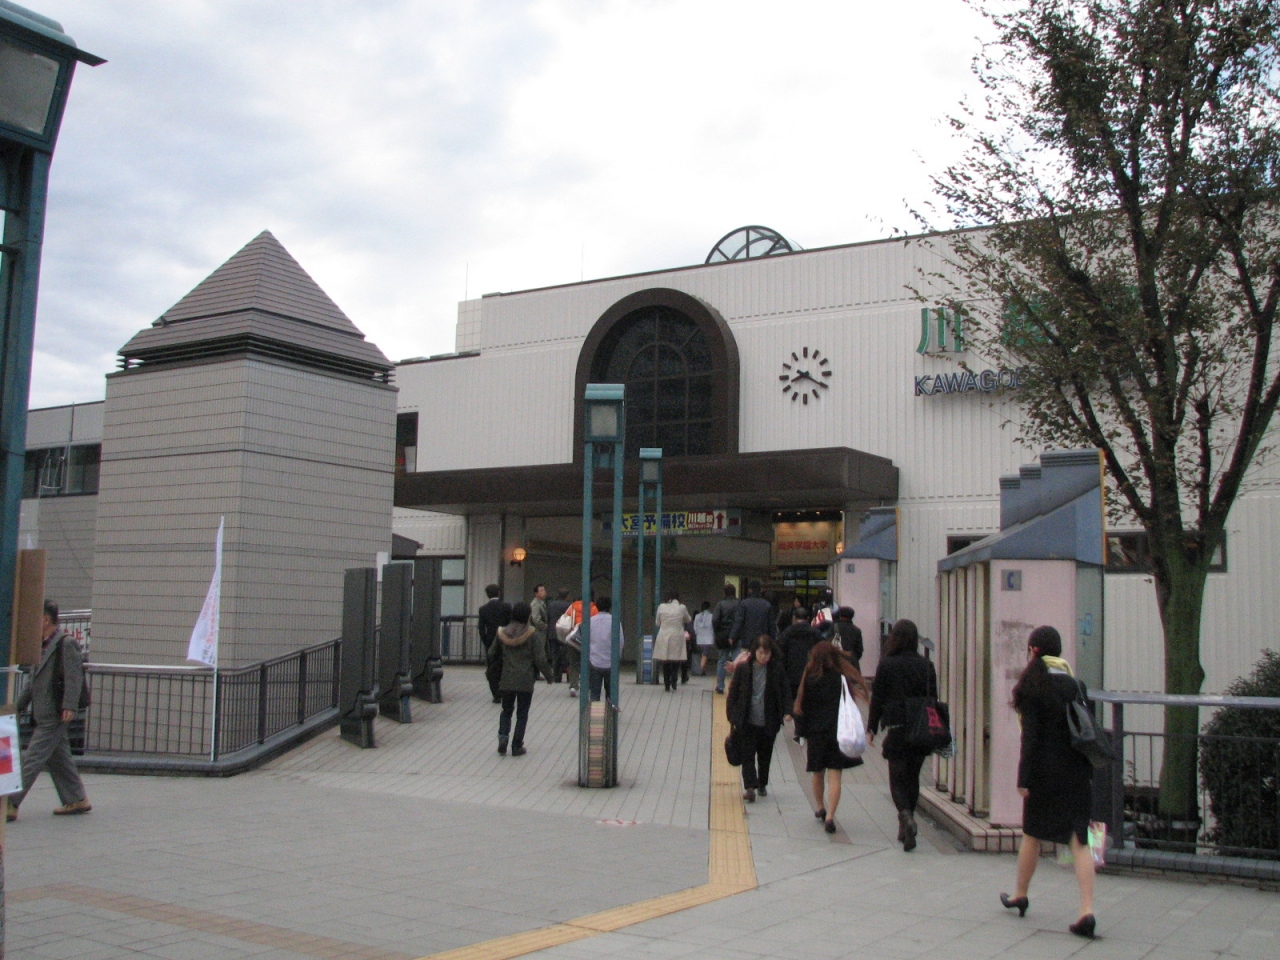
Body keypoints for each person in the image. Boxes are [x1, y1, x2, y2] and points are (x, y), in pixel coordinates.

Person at [999, 626, 1097, 939]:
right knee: (1079, 840)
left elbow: (1031, 739)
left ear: (1033, 651)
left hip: (1044, 773)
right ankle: (1087, 910)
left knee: (1032, 834)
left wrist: (1023, 778)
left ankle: (1020, 894)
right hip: (1077, 772)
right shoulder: (1076, 685)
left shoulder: (1031, 687)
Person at [6, 600, 91, 822]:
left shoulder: (66, 643)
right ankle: (77, 799)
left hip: (55, 714)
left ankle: (10, 802)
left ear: (45, 619)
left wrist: (70, 706)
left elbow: (74, 677)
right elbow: (33, 681)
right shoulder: (40, 645)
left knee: (31, 759)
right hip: (43, 712)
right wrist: (18, 707)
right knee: (59, 757)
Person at [868, 618, 937, 851]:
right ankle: (905, 825)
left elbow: (877, 697)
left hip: (897, 727)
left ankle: (905, 816)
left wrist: (871, 728)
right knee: (913, 778)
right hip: (919, 728)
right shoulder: (926, 665)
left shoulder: (887, 664)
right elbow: (933, 699)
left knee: (897, 779)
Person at [792, 640, 869, 834]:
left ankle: (820, 806)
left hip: (816, 734)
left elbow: (802, 707)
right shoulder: (841, 678)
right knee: (835, 776)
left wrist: (800, 732)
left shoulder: (809, 678)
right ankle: (831, 816)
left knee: (817, 773)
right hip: (838, 733)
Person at [725, 634, 789, 803]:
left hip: (769, 720)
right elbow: (733, 692)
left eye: (767, 653)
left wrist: (788, 711)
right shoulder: (743, 669)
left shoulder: (777, 669)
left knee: (765, 755)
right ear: (754, 651)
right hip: (747, 720)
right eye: (761, 653)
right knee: (748, 754)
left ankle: (762, 783)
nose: (763, 657)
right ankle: (750, 787)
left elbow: (785, 691)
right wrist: (731, 714)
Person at [486, 601, 552, 756]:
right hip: (525, 680)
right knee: (522, 713)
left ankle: (503, 737)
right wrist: (549, 675)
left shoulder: (502, 633)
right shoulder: (532, 634)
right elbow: (540, 659)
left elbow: (491, 653)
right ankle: (517, 746)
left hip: (506, 678)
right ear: (527, 615)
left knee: (506, 710)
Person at [579, 596, 623, 702]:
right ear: (610, 607)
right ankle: (610, 714)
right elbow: (620, 642)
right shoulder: (615, 622)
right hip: (610, 661)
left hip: (594, 660)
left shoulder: (590, 621)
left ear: (596, 606)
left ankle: (594, 714)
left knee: (594, 692)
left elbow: (585, 641)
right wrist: (618, 657)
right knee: (611, 693)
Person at [778, 607, 821, 709]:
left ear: (794, 617)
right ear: (808, 618)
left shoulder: (787, 632)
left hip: (791, 673)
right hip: (810, 672)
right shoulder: (815, 633)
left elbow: (781, 652)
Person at [477, 584, 512, 703]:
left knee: (492, 668)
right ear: (499, 593)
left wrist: (486, 641)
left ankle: (496, 694)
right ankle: (505, 690)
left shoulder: (483, 609)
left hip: (491, 641)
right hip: (505, 641)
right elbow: (510, 624)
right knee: (505, 666)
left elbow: (481, 629)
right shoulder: (507, 607)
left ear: (487, 595)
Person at [652, 591, 691, 692]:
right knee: (676, 660)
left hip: (664, 635)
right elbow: (688, 619)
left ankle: (666, 684)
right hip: (677, 635)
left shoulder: (661, 606)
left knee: (666, 661)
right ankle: (674, 681)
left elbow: (657, 623)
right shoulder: (682, 607)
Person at [730, 580, 776, 657]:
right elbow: (771, 625)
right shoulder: (767, 605)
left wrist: (732, 636)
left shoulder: (744, 604)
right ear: (760, 590)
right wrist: (772, 641)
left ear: (750, 590)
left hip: (747, 641)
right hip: (763, 641)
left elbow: (739, 622)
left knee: (746, 661)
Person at [563, 594, 598, 697]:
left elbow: (566, 620)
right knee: (588, 663)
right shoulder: (594, 608)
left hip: (573, 639)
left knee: (574, 663)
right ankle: (586, 685)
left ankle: (573, 686)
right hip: (587, 640)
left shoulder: (572, 607)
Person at [711, 583, 741, 694]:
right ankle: (736, 686)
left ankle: (720, 686)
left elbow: (714, 620)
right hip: (736, 636)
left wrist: (718, 631)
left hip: (722, 636)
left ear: (725, 593)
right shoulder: (739, 604)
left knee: (722, 660)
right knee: (737, 661)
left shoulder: (720, 604)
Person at [546, 588, 571, 683]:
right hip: (565, 632)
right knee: (567, 655)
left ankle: (556, 676)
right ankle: (569, 676)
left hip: (553, 632)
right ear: (567, 596)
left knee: (555, 655)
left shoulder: (551, 605)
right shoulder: (569, 606)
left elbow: (548, 617)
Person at [832, 606, 864, 671]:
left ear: (840, 615)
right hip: (852, 664)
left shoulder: (833, 628)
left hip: (837, 662)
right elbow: (859, 650)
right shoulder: (857, 630)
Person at [529, 584, 550, 675]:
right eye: (541, 591)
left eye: (544, 590)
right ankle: (535, 673)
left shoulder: (542, 603)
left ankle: (536, 673)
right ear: (536, 593)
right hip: (538, 632)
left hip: (541, 632)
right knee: (538, 653)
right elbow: (536, 619)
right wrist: (545, 626)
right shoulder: (535, 604)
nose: (544, 592)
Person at [693, 601, 715, 676]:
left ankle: (701, 669)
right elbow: (713, 627)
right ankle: (700, 669)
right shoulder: (712, 616)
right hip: (708, 638)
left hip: (699, 638)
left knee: (700, 655)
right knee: (705, 655)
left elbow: (695, 628)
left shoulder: (697, 616)